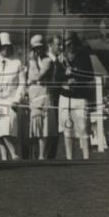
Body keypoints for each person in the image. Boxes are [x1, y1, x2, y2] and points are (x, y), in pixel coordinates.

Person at [56, 32, 93, 160]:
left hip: (80, 97)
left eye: (71, 43)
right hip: (65, 97)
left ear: (75, 43)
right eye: (66, 44)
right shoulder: (60, 58)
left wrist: (75, 75)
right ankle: (69, 158)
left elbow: (89, 75)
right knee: (67, 129)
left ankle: (87, 157)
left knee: (83, 128)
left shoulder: (83, 56)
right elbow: (56, 78)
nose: (69, 46)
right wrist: (66, 80)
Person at [0, 32, 26, 161]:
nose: (6, 49)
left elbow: (22, 83)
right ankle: (5, 158)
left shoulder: (17, 62)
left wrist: (17, 99)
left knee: (7, 131)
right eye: (3, 47)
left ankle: (15, 154)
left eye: (8, 46)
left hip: (10, 101)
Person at [26, 34, 55, 161]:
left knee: (44, 128)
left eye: (39, 48)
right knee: (34, 127)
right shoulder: (30, 63)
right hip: (33, 96)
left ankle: (42, 155)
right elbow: (28, 79)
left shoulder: (47, 61)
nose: (38, 51)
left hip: (44, 96)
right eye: (35, 49)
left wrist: (33, 62)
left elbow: (38, 76)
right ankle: (36, 154)